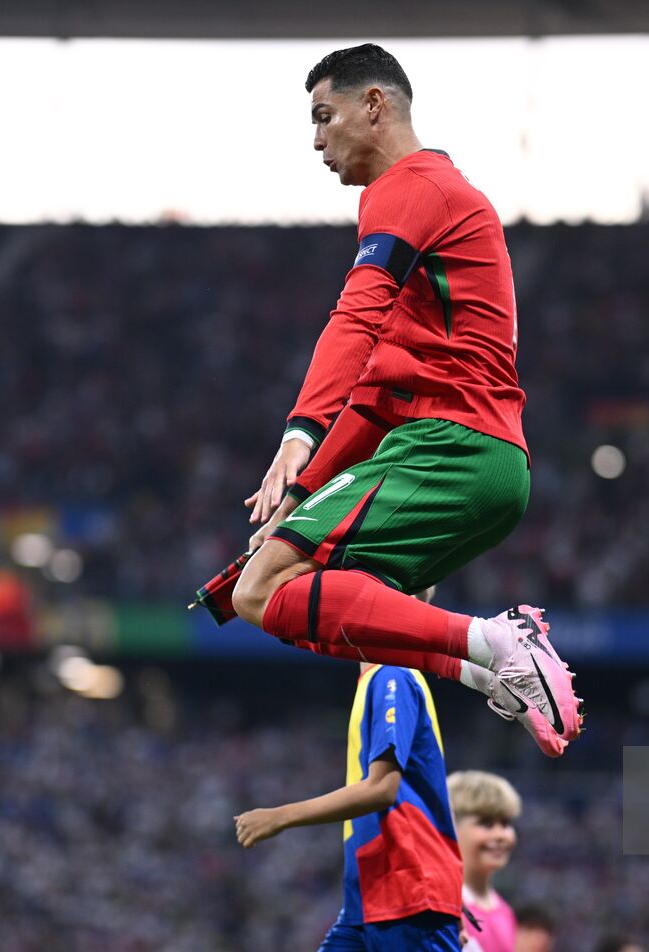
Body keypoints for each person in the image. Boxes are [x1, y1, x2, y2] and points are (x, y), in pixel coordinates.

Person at [225, 43, 581, 757]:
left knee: (260, 591)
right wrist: (305, 492)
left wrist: (298, 433)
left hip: (448, 447)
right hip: (486, 464)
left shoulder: (408, 188)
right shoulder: (442, 201)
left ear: (375, 105)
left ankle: (497, 642)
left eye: (325, 116)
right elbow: (374, 399)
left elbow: (354, 318)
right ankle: (488, 673)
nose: (316, 139)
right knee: (335, 601)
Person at [233, 662, 463, 950]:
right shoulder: (376, 679)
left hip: (406, 891)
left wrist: (280, 816)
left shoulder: (392, 675)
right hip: (370, 897)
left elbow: (382, 788)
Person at [448, 770, 522, 952]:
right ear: (451, 827)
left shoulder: (506, 913)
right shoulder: (446, 907)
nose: (501, 835)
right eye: (486, 823)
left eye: (505, 824)